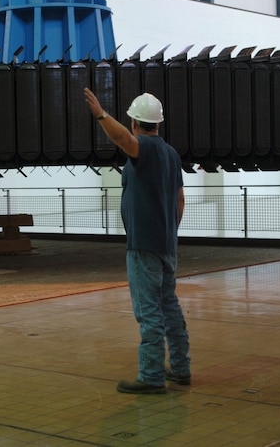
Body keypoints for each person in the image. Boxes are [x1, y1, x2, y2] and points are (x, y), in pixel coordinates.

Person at [82, 87, 190, 394]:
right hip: (166, 245)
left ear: (134, 122)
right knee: (169, 307)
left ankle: (152, 376)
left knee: (149, 312)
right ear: (158, 123)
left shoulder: (145, 148)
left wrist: (101, 114)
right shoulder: (171, 154)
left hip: (144, 245)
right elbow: (180, 200)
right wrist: (168, 230)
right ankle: (181, 369)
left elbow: (123, 141)